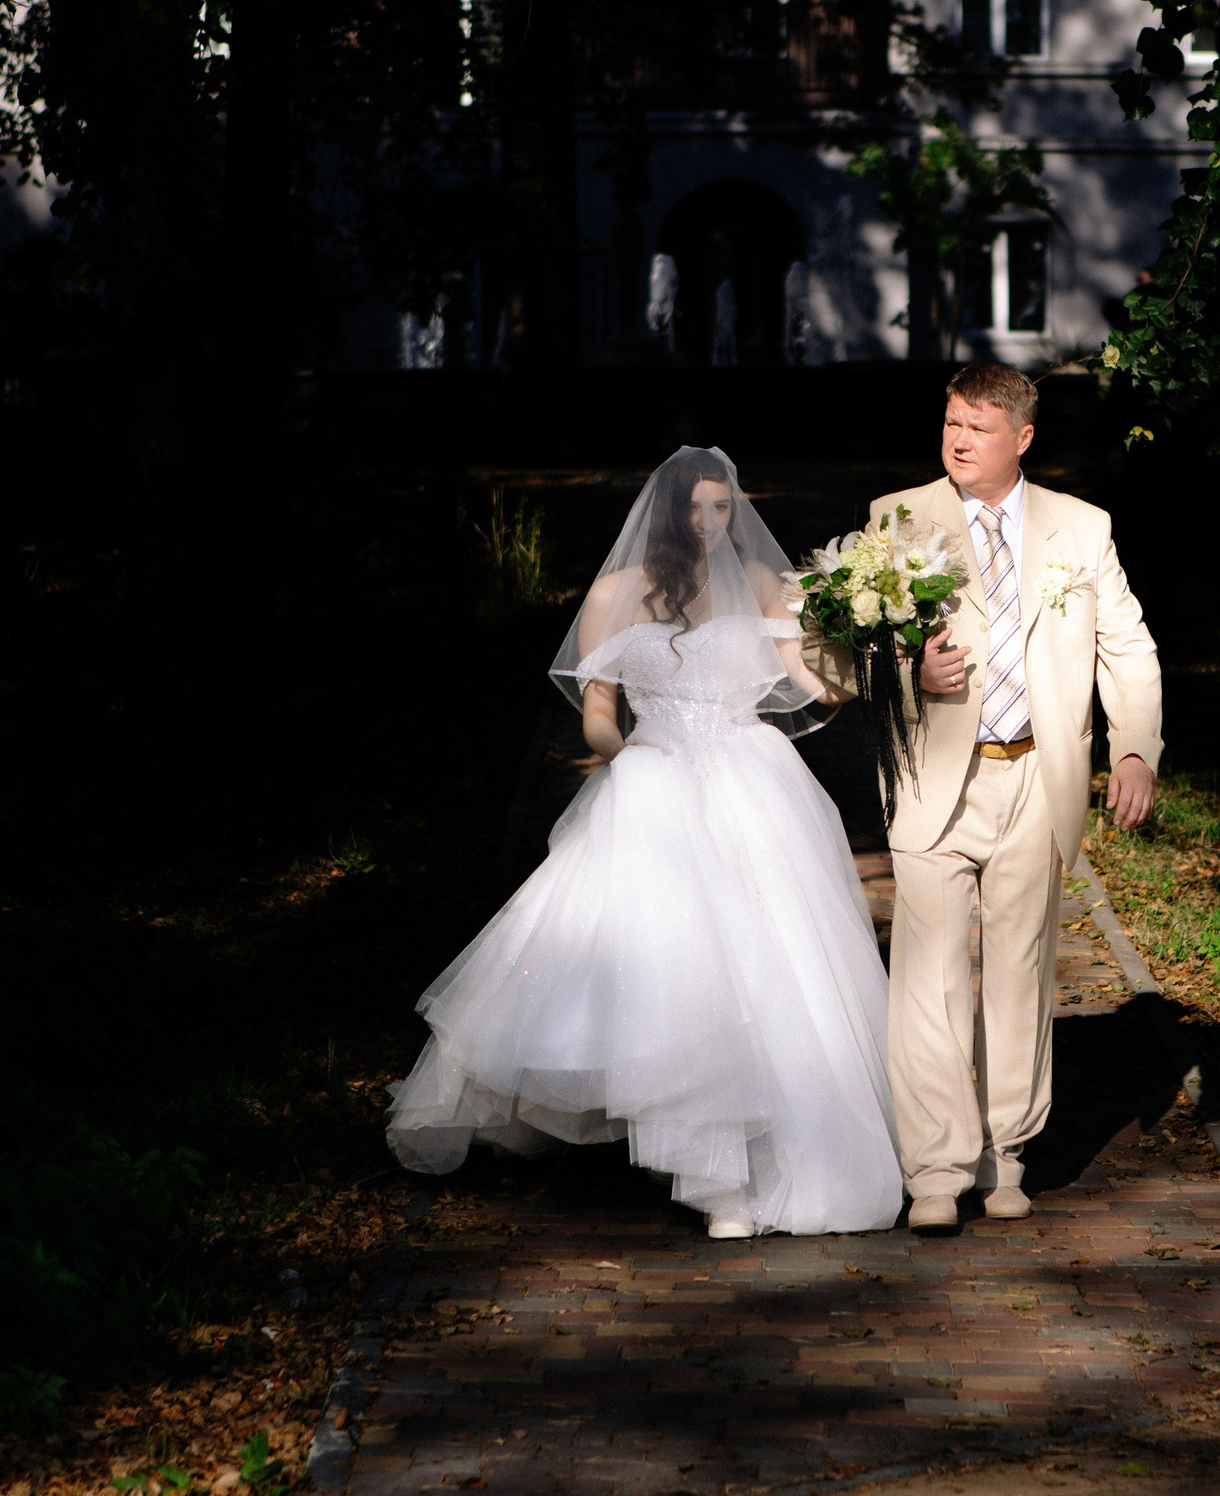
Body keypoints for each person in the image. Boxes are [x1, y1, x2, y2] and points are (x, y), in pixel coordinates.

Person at [386, 447, 905, 1239]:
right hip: (654, 771)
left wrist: (865, 646)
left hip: (750, 774)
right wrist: (626, 754)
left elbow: (810, 684)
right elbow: (598, 709)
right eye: (695, 508)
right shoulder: (616, 592)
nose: (709, 522)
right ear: (666, 511)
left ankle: (757, 1155)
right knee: (675, 964)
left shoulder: (761, 581)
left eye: (722, 507)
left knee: (768, 957)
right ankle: (703, 1158)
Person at [811, 363, 1162, 1232]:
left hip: (1038, 777)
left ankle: (1007, 1154)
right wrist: (906, 672)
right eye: (951, 423)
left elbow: (1127, 646)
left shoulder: (1081, 528)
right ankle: (935, 1168)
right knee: (927, 976)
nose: (959, 440)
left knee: (1019, 970)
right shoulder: (898, 518)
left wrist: (1134, 747)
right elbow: (833, 650)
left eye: (978, 427)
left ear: (1023, 437)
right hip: (935, 776)